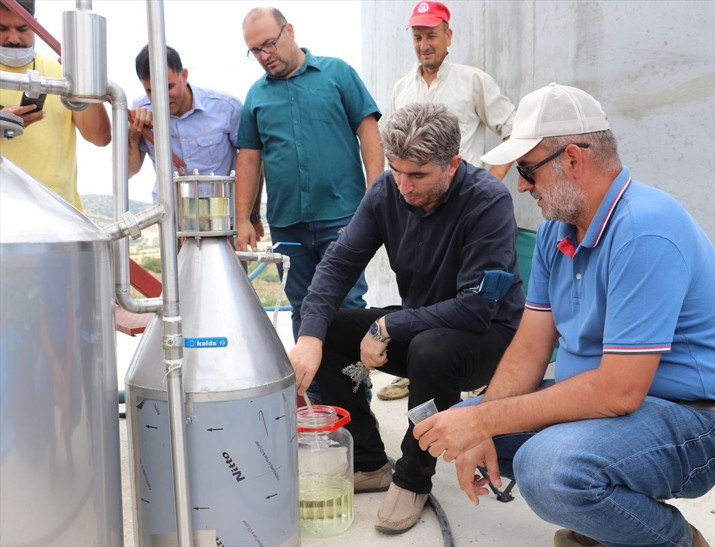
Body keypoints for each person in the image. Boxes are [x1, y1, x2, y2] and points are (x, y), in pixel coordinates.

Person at [413, 83, 715, 547]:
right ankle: (608, 521)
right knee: (461, 424)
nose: (522, 185)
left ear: (572, 159)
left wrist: (487, 423)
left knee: (547, 469)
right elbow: (530, 349)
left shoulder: (644, 230)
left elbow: (618, 392)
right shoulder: (558, 233)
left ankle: (673, 541)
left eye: (528, 170)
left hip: (697, 421)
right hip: (610, 412)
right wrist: (481, 423)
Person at [288, 102, 525, 534]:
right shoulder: (386, 191)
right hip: (421, 323)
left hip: (489, 335)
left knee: (431, 349)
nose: (404, 186)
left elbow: (475, 308)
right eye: (397, 170)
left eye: (418, 175)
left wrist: (387, 326)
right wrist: (310, 336)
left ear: (452, 164)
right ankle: (369, 461)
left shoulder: (487, 202)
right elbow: (339, 264)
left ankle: (412, 478)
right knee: (332, 328)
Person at [381, 0, 517, 402]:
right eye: (418, 37)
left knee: (467, 295)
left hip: (464, 211)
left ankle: (466, 368)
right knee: (420, 289)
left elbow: (513, 129)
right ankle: (415, 369)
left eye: (431, 35)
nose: (424, 44)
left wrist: (490, 181)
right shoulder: (402, 88)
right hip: (418, 210)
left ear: (448, 36)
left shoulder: (473, 81)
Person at [235, 6, 383, 345]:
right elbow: (249, 159)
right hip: (288, 224)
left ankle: (355, 394)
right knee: (303, 309)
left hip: (344, 217)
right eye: (255, 50)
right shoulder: (256, 96)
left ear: (289, 31)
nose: (264, 55)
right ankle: (315, 396)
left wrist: (376, 193)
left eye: (269, 44)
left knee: (347, 306)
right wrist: (244, 217)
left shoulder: (337, 73)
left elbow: (369, 130)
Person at [0, 0, 110, 211]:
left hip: (60, 216)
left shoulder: (62, 73)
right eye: (2, 29)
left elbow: (100, 137)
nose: (13, 39)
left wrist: (83, 77)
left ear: (35, 25)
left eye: (22, 29)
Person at [127, 45, 243, 206]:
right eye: (151, 91)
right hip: (170, 223)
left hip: (221, 221)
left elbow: (253, 162)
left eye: (168, 87)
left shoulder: (226, 107)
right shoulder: (139, 110)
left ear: (184, 75)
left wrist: (252, 214)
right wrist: (134, 132)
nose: (161, 97)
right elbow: (128, 171)